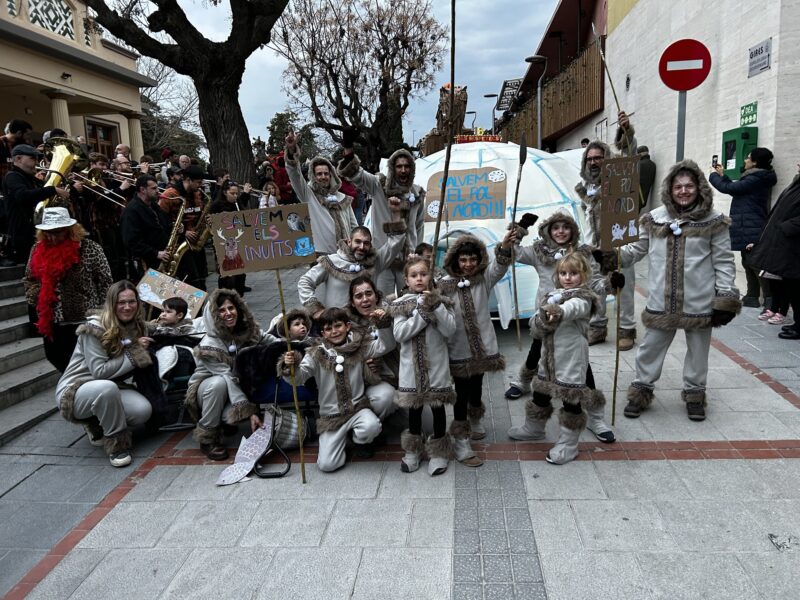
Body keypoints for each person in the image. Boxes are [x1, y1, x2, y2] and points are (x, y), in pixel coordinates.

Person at [609, 160, 741, 421]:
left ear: (699, 188)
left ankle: (695, 394)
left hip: (700, 300)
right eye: (678, 186)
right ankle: (641, 391)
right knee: (651, 347)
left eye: (689, 186)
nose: (683, 191)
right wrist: (610, 256)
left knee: (698, 350)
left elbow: (724, 261)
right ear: (669, 189)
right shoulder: (654, 218)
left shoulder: (714, 221)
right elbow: (635, 250)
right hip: (661, 299)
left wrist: (725, 295)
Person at [505, 211, 619, 443]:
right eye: (555, 227)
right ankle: (525, 385)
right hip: (545, 315)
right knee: (538, 355)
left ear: (572, 230)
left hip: (572, 320)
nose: (560, 232)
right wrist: (518, 231)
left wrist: (610, 283)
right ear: (548, 230)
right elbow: (512, 253)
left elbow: (595, 281)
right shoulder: (539, 252)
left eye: (565, 227)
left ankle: (595, 416)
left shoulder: (583, 253)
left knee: (580, 368)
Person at [508, 253, 601, 464]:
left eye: (574, 273)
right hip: (547, 358)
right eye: (563, 273)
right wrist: (538, 318)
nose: (568, 277)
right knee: (540, 392)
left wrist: (557, 310)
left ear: (583, 275)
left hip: (571, 359)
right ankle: (533, 428)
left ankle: (569, 445)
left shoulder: (583, 298)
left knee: (570, 399)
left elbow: (573, 308)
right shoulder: (553, 295)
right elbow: (539, 319)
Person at [55, 281, 156, 467]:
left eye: (132, 301)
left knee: (142, 411)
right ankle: (117, 445)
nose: (127, 307)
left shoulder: (134, 324)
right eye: (121, 302)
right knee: (106, 388)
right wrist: (135, 351)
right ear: (112, 303)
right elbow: (99, 372)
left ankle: (98, 420)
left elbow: (151, 328)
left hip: (109, 388)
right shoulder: (94, 328)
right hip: (76, 390)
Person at [281, 307, 394, 471]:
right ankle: (342, 441)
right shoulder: (316, 353)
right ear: (323, 333)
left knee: (371, 427)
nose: (334, 331)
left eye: (338, 326)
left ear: (347, 326)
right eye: (328, 329)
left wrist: (382, 324)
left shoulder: (358, 346)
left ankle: (359, 439)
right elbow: (298, 378)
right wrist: (289, 367)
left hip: (357, 410)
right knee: (328, 465)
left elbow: (385, 345)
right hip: (331, 417)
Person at [438, 231, 514, 467]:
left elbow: (499, 267)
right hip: (458, 348)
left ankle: (476, 416)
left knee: (477, 385)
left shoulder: (483, 279)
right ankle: (461, 441)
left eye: (472, 259)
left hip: (482, 347)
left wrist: (504, 246)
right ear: (454, 261)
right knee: (460, 391)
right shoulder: (443, 285)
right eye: (463, 260)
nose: (468, 264)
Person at [185, 289, 277, 460]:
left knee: (232, 405)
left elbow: (270, 341)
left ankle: (226, 421)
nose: (228, 313)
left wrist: (292, 346)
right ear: (214, 315)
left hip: (234, 391)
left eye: (231, 308)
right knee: (219, 383)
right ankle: (207, 437)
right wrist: (250, 412)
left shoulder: (247, 331)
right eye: (221, 310)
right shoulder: (209, 344)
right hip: (207, 391)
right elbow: (228, 377)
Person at [575, 113, 638, 349]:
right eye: (590, 159)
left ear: (607, 159)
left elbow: (630, 158)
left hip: (619, 244)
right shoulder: (584, 188)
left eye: (598, 158)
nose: (594, 162)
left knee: (624, 289)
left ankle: (626, 330)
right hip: (594, 248)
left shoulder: (619, 179)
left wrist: (627, 132)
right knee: (596, 289)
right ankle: (598, 328)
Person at [23, 207, 112, 371]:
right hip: (53, 318)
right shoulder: (37, 249)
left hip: (83, 319)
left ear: (69, 230)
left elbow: (105, 281)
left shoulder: (89, 248)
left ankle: (79, 392)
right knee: (55, 357)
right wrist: (37, 295)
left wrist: (103, 312)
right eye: (48, 232)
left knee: (83, 364)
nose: (52, 236)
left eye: (57, 232)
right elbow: (30, 278)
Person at [390, 257, 456, 476]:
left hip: (437, 366)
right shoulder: (400, 304)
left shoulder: (442, 301)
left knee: (438, 407)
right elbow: (400, 334)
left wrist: (435, 307)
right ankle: (413, 451)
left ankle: (438, 451)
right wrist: (422, 313)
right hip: (411, 370)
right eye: (414, 275)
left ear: (431, 276)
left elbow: (449, 330)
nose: (419, 279)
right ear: (406, 280)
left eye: (423, 274)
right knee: (414, 410)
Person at [338, 131, 426, 295]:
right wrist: (348, 150)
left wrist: (417, 253)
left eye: (407, 166)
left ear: (412, 169)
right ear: (392, 168)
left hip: (408, 259)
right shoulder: (379, 185)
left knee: (409, 301)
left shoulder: (418, 193)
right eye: (399, 166)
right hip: (382, 256)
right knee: (382, 302)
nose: (403, 170)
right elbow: (356, 175)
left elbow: (419, 226)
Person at [298, 216, 406, 318]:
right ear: (349, 241)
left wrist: (396, 214)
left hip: (367, 326)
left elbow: (395, 244)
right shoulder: (332, 261)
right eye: (357, 242)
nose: (361, 247)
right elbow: (305, 281)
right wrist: (315, 309)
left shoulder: (375, 262)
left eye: (366, 243)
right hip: (337, 327)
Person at [709, 147, 777, 309]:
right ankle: (752, 296)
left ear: (755, 162)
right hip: (746, 222)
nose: (745, 160)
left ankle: (769, 299)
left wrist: (713, 176)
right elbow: (738, 190)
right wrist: (723, 176)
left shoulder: (758, 178)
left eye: (748, 158)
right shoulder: (754, 177)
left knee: (755, 262)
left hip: (752, 223)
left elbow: (730, 188)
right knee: (747, 261)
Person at [748, 161, 800, 339]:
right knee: (789, 285)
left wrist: (788, 227)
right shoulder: (796, 182)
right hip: (785, 243)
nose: (798, 163)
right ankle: (798, 324)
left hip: (793, 243)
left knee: (795, 286)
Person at [284, 131, 357, 255]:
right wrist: (291, 152)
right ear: (313, 176)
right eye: (319, 174)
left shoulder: (343, 198)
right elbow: (295, 175)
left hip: (346, 256)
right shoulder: (308, 195)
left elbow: (354, 226)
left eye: (326, 173)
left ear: (331, 175)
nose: (323, 177)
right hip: (321, 257)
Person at [2, 144, 71, 264]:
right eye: (32, 158)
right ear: (18, 159)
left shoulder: (29, 178)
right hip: (23, 234)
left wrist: (72, 189)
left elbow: (45, 190)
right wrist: (52, 190)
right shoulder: (12, 176)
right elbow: (23, 196)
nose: (37, 162)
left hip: (34, 231)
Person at [158, 164, 208, 290]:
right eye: (198, 182)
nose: (200, 185)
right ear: (188, 180)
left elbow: (199, 215)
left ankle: (201, 308)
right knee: (191, 281)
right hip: (179, 243)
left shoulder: (197, 193)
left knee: (201, 279)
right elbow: (161, 221)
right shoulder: (170, 194)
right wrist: (184, 231)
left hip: (195, 242)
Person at [347, 275, 399, 388]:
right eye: (359, 296)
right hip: (371, 382)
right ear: (352, 302)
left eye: (369, 293)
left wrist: (384, 320)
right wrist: (364, 366)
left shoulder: (393, 312)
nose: (365, 299)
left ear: (376, 296)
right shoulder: (348, 326)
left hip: (401, 373)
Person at [120, 175, 172, 278]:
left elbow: (163, 224)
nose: (158, 191)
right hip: (146, 263)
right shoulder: (131, 211)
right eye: (153, 188)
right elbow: (131, 242)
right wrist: (156, 253)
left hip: (162, 256)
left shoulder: (153, 205)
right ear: (142, 189)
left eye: (157, 187)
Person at [209, 181, 249, 295]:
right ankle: (224, 296)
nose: (235, 196)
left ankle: (239, 297)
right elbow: (212, 225)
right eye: (232, 193)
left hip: (238, 241)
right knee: (227, 273)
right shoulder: (216, 206)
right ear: (225, 192)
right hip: (224, 245)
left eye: (237, 193)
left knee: (241, 272)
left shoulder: (237, 204)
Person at [637, 145, 657, 211]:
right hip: (643, 198)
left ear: (640, 154)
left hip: (633, 198)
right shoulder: (653, 165)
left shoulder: (638, 165)